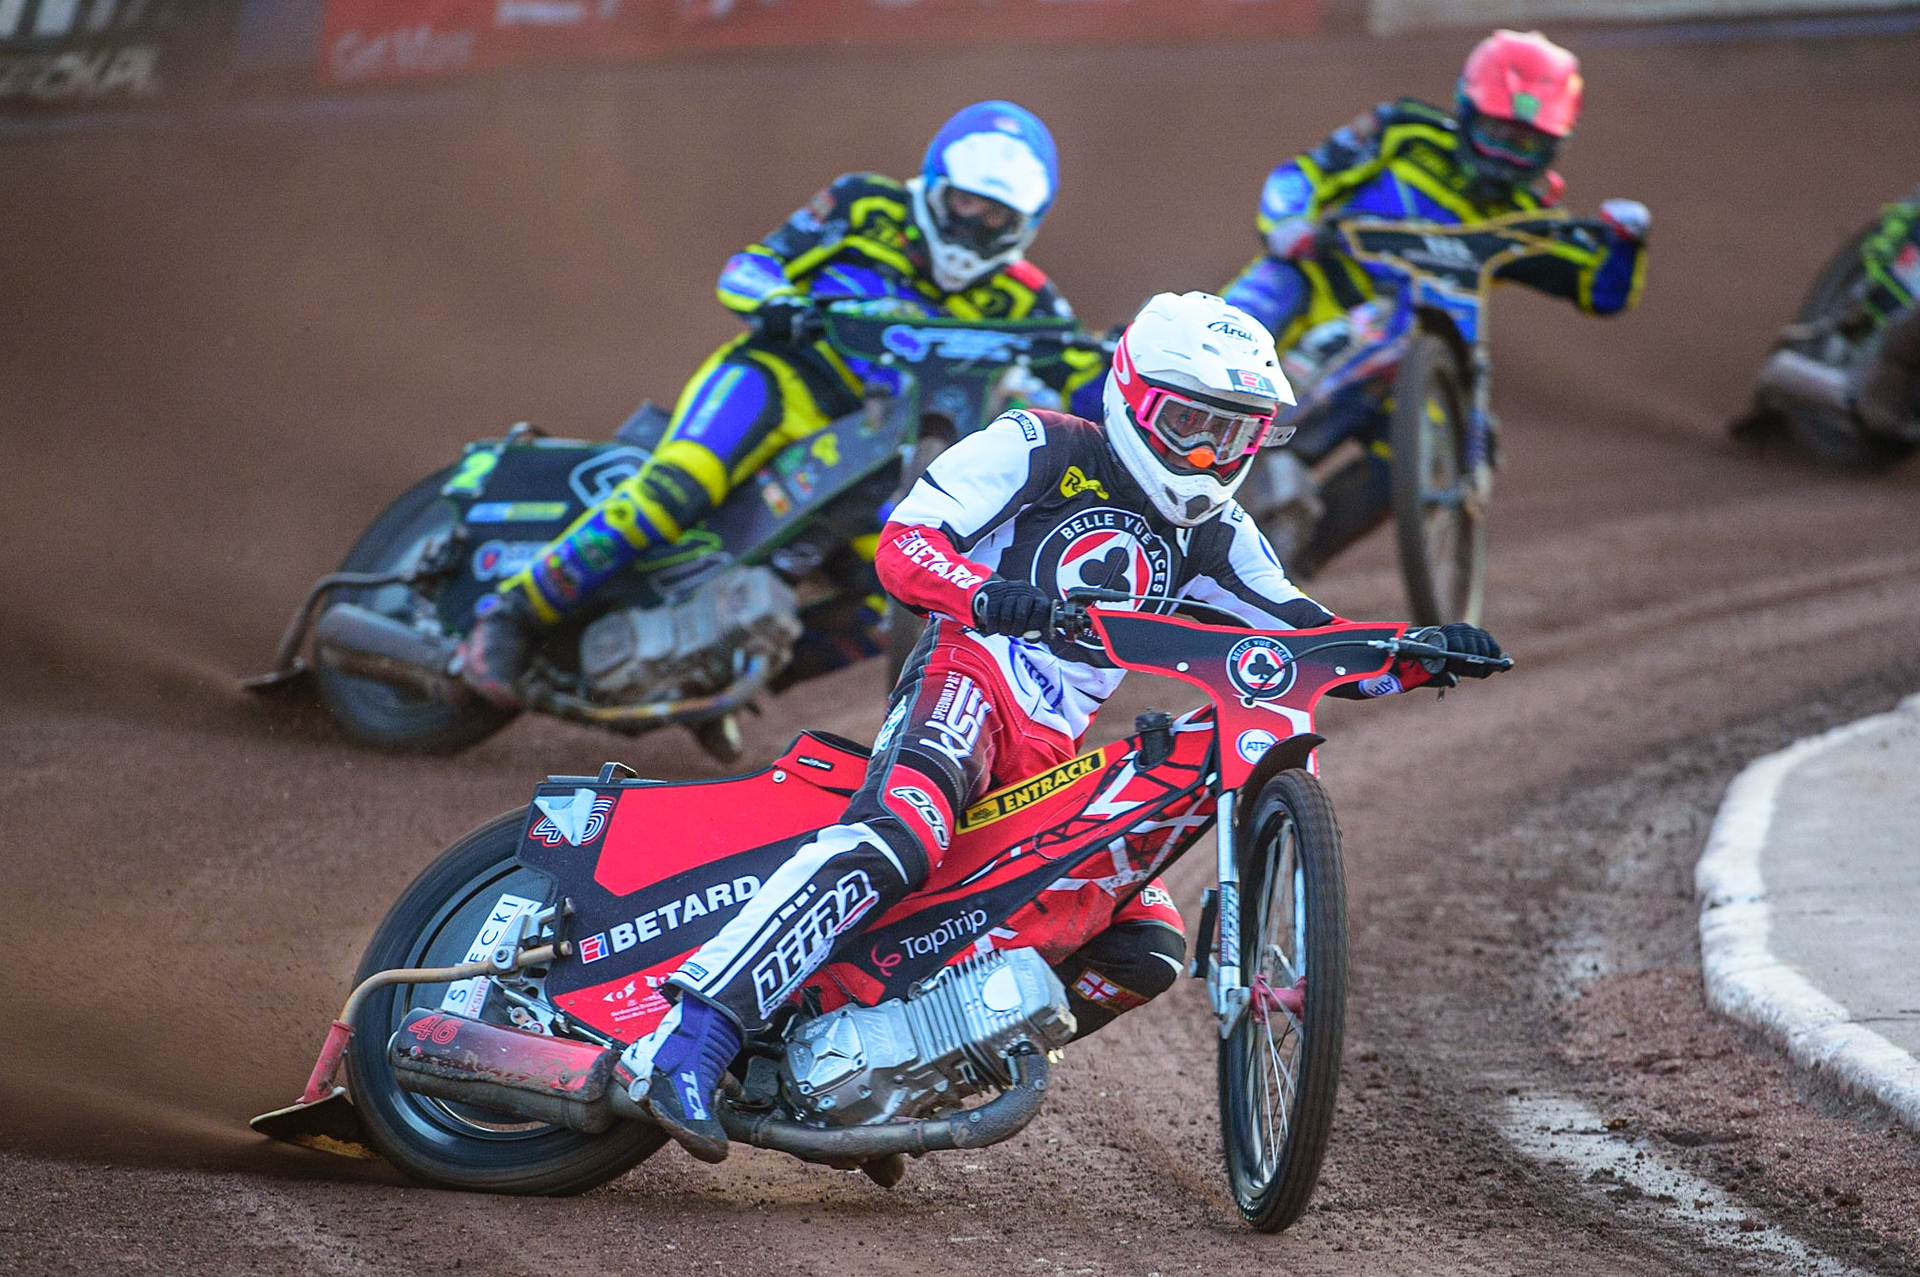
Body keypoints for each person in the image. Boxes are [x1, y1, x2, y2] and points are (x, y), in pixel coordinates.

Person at [634, 291, 1505, 1162]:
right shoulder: (1041, 444)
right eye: (1190, 423)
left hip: (1052, 746)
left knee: (1146, 947)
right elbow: (905, 541)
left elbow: (1305, 637)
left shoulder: (1220, 534)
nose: (1208, 453)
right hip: (971, 673)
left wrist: (1417, 653)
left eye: (1234, 433)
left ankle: (904, 1072)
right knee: (902, 833)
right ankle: (692, 1037)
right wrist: (984, 595)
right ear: (1130, 393)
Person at [458, 100, 1104, 706]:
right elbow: (751, 266)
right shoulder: (863, 204)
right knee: (678, 486)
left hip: (883, 450)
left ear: (1026, 224)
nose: (973, 222)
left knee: (900, 588)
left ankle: (722, 669)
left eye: (995, 215)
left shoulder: (1033, 304)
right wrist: (777, 301)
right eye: (964, 200)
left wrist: (1126, 367)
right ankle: (508, 616)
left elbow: (1086, 386)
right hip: (782, 382)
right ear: (933, 184)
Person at [1222, 28, 1649, 573]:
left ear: (1554, 146)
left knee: (1423, 451)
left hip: (1410, 353)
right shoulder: (1405, 132)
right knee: (1262, 294)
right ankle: (1141, 402)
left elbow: (1597, 291)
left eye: (1525, 144)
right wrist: (1288, 223)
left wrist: (1626, 245)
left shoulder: (1532, 220)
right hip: (1318, 289)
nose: (1505, 157)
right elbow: (1303, 173)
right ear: (1467, 110)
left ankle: (1281, 565)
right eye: (1496, 132)